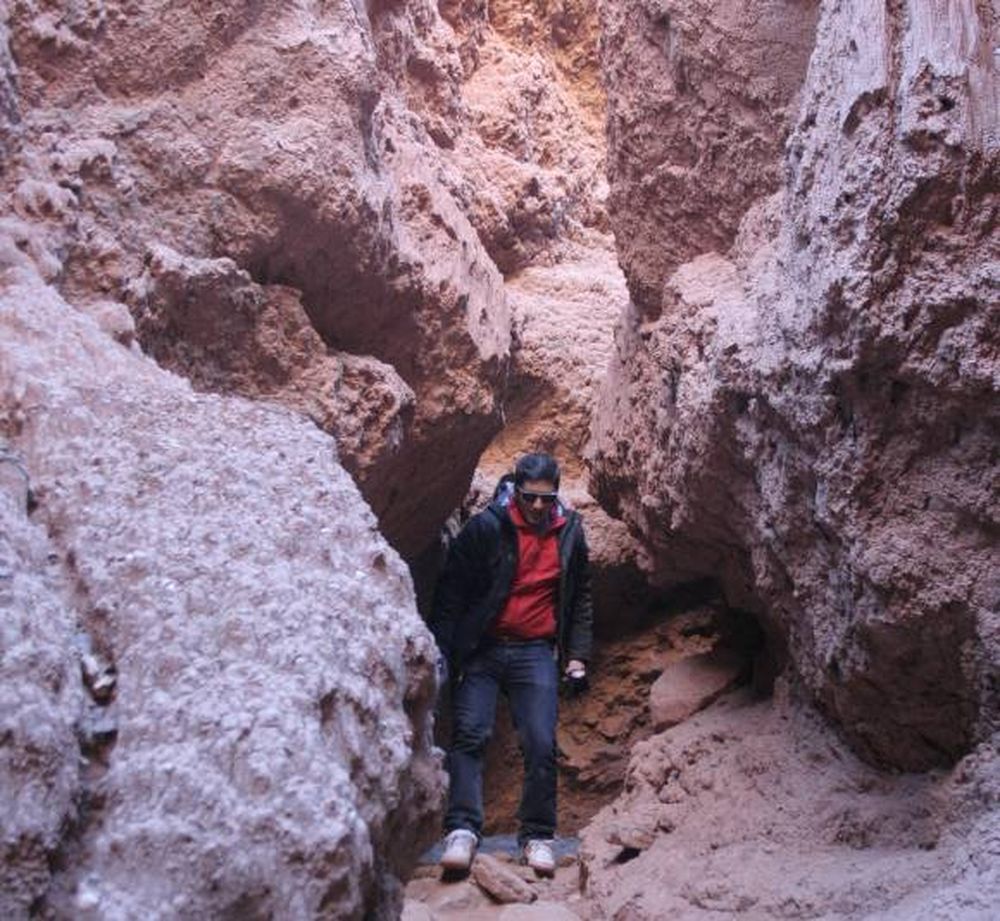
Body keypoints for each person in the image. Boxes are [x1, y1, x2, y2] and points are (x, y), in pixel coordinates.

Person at [430, 452, 593, 875]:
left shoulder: (569, 532)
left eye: (546, 498)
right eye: (529, 497)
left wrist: (577, 655)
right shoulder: (487, 527)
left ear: (556, 495)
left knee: (540, 742)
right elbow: (451, 591)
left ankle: (537, 836)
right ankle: (462, 829)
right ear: (515, 490)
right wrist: (445, 649)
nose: (537, 506)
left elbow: (580, 596)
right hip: (483, 648)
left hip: (535, 649)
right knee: (470, 734)